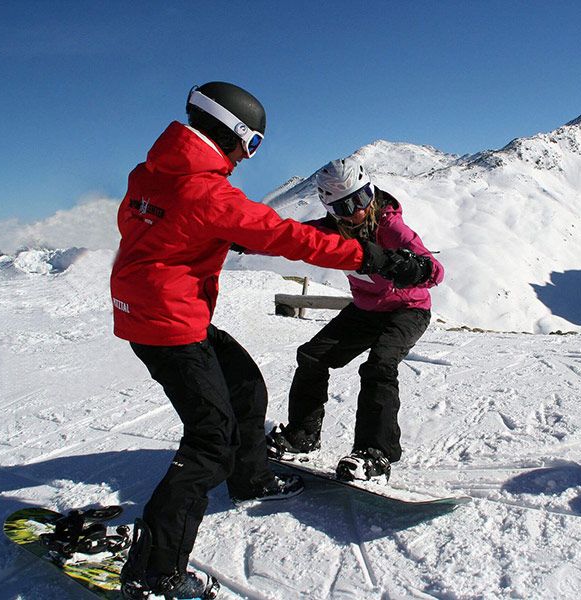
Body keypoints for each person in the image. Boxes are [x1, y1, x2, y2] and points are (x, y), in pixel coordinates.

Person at [111, 83, 426, 600]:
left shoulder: (152, 173)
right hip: (167, 322)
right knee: (209, 443)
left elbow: (148, 222)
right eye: (253, 143)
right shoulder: (209, 191)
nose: (249, 155)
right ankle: (154, 574)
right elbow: (289, 238)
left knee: (245, 387)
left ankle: (251, 476)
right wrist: (373, 258)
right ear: (236, 134)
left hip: (161, 310)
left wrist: (203, 237)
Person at [266, 157, 443, 482]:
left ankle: (375, 454)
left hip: (408, 309)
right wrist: (239, 239)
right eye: (346, 206)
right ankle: (303, 436)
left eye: (362, 198)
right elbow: (285, 237)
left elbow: (434, 270)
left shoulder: (389, 226)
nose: (358, 211)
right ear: (331, 209)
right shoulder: (329, 232)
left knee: (380, 364)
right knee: (312, 356)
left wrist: (410, 267)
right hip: (366, 310)